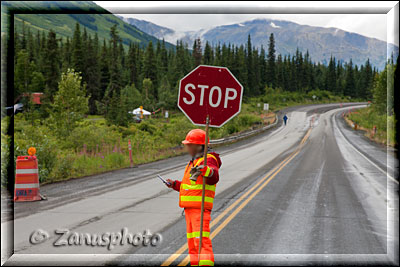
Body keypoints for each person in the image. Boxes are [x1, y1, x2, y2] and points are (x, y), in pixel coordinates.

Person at [166, 129, 222, 266]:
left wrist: (205, 170)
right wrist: (174, 184)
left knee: (202, 243)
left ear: (199, 146)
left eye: (189, 145)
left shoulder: (209, 159)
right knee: (193, 245)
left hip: (199, 209)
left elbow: (213, 177)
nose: (187, 148)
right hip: (190, 210)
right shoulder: (195, 161)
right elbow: (189, 186)